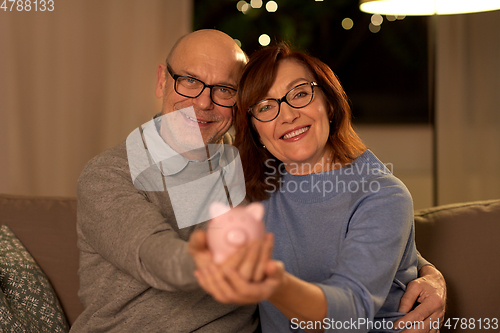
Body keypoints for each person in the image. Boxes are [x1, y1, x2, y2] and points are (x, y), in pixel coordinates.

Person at [73, 29, 444, 332]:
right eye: (189, 81)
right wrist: (240, 269)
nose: (203, 103)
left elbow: (354, 217)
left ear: (240, 106)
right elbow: (156, 256)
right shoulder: (110, 174)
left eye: (224, 89)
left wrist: (423, 272)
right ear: (161, 81)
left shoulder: (247, 167)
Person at [190, 42, 446, 332]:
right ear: (255, 130)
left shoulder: (382, 194)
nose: (287, 116)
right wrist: (426, 269)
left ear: (330, 104)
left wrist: (270, 280)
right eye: (265, 106)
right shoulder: (250, 188)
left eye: (300, 93)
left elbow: (348, 314)